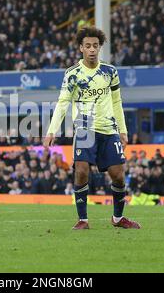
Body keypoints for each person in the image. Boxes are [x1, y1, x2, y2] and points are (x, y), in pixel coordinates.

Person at [43, 26, 140, 230]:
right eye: (88, 46)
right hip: (85, 129)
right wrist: (52, 130)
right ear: (81, 48)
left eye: (95, 45)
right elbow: (62, 103)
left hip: (108, 130)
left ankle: (118, 218)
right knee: (81, 171)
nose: (92, 49)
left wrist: (123, 130)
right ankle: (83, 220)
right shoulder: (72, 74)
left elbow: (117, 102)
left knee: (118, 174)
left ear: (99, 47)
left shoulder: (110, 72)